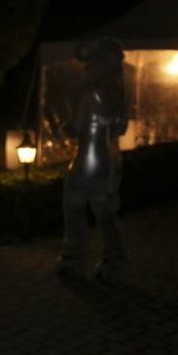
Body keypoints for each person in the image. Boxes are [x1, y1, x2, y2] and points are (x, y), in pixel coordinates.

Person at [56, 36, 129, 286]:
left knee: (73, 206)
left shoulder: (88, 94)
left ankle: (73, 260)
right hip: (111, 160)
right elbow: (121, 128)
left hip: (89, 159)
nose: (85, 69)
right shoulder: (119, 95)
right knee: (106, 214)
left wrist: (68, 127)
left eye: (89, 64)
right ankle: (114, 265)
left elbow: (76, 126)